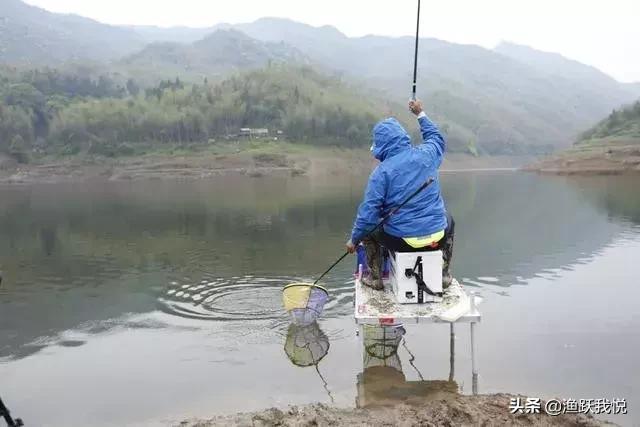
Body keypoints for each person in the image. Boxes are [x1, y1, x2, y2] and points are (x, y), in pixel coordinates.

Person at [346, 99, 454, 290]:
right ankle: (443, 274)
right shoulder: (428, 154)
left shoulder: (380, 174)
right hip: (437, 237)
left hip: (401, 242)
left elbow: (367, 215)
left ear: (381, 145)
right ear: (402, 137)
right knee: (449, 220)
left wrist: (354, 240)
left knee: (369, 230)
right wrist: (420, 114)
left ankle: (375, 278)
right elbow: (436, 138)